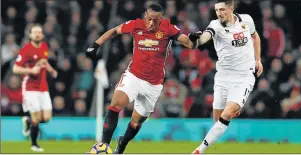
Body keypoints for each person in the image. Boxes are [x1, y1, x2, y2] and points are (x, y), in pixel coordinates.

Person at [86, 3, 198, 154]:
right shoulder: (135, 25)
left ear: (161, 19)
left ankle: (122, 144)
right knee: (115, 104)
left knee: (136, 122)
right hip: (134, 76)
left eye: (156, 20)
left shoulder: (168, 28)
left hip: (154, 85)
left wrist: (193, 39)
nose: (152, 23)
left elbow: (188, 43)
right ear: (146, 16)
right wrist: (96, 44)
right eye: (150, 19)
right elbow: (114, 31)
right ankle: (103, 146)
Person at [188, 0, 263, 153]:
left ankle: (199, 151)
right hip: (223, 76)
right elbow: (206, 36)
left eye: (222, 10)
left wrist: (258, 60)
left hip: (244, 76)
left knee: (227, 113)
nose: (219, 13)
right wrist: (198, 39)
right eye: (216, 10)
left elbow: (255, 37)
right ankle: (235, 105)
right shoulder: (216, 25)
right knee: (217, 119)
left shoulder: (246, 20)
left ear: (231, 8)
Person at [13, 24, 58, 152]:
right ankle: (34, 144)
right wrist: (31, 70)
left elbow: (43, 61)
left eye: (39, 32)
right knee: (37, 118)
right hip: (30, 88)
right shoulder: (26, 50)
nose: (37, 34)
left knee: (47, 118)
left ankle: (28, 120)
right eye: (35, 32)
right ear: (30, 35)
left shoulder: (44, 46)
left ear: (42, 35)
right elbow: (15, 68)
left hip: (43, 88)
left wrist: (51, 70)